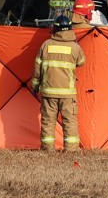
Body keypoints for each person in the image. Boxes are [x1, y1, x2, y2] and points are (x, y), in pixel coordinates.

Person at [30, 15, 87, 151]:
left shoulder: (46, 45)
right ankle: (72, 149)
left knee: (48, 121)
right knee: (69, 121)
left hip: (48, 91)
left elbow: (37, 68)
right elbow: (81, 62)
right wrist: (76, 46)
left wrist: (35, 86)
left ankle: (48, 148)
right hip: (67, 93)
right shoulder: (74, 47)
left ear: (55, 28)